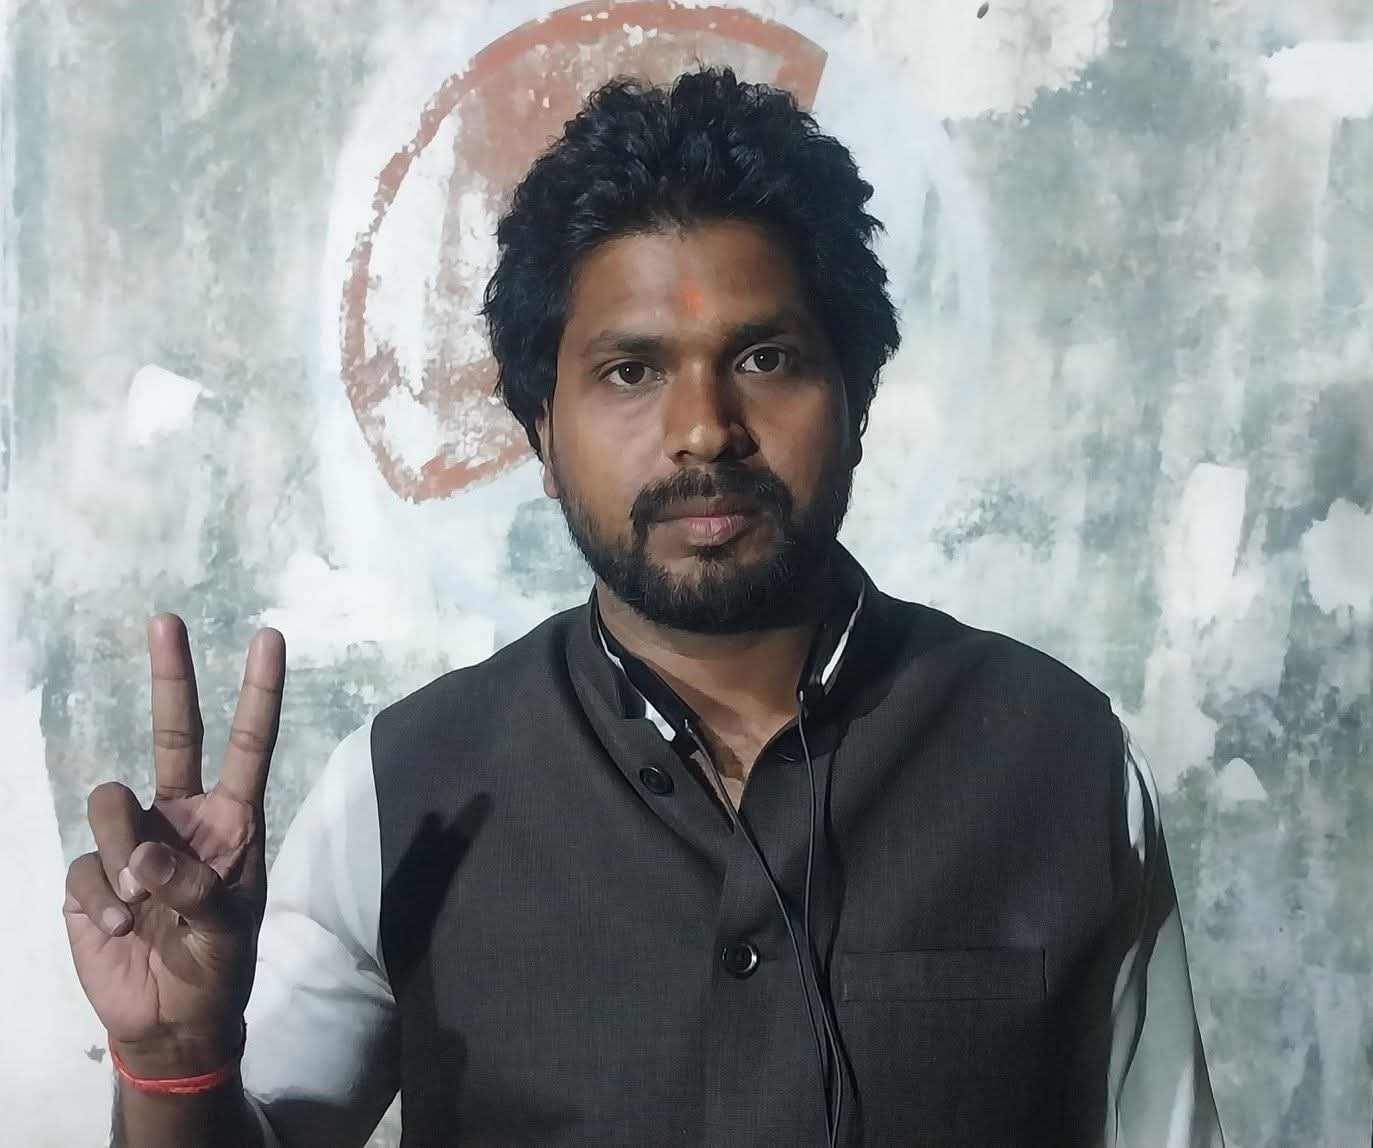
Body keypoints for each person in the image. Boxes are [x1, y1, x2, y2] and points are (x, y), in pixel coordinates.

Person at [63, 67, 1224, 1148]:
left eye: (763, 358)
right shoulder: (404, 788)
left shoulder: (1059, 758)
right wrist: (174, 1065)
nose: (703, 428)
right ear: (540, 433)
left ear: (856, 399)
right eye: (630, 370)